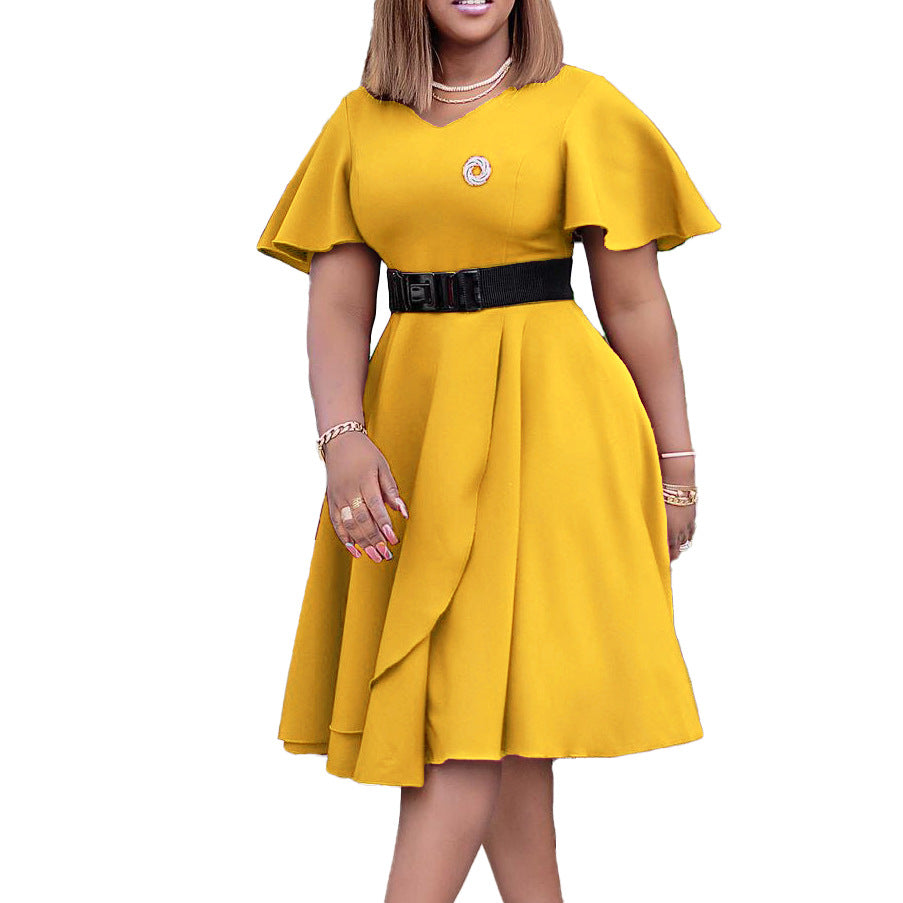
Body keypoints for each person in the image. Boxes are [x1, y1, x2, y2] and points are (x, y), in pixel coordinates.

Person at [256, 1, 720, 900]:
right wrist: (342, 440)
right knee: (496, 724)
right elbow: (338, 305)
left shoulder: (582, 107)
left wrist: (677, 469)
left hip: (555, 436)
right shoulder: (357, 123)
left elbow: (634, 305)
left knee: (463, 721)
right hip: (416, 436)